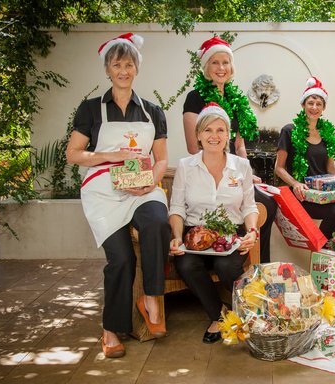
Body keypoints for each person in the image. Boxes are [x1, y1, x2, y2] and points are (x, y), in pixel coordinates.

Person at [66, 33, 170, 358]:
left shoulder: (152, 111)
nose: (123, 70)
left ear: (136, 68)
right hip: (104, 190)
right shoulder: (91, 109)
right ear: (108, 70)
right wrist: (109, 157)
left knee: (157, 221)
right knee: (122, 259)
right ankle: (111, 328)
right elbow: (73, 154)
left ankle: (152, 297)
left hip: (142, 186)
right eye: (117, 64)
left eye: (128, 64)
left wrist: (150, 182)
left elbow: (162, 158)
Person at [169, 103, 259, 344]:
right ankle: (219, 316)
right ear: (198, 135)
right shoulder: (186, 167)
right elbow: (176, 208)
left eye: (220, 130)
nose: (214, 136)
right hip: (195, 234)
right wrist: (177, 237)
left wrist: (251, 231)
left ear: (228, 135)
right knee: (187, 265)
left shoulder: (242, 166)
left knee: (226, 268)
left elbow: (249, 206)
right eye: (208, 130)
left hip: (231, 234)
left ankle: (251, 312)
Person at [182, 36, 277, 263]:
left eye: (225, 62)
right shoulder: (195, 98)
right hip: (209, 170)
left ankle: (257, 262)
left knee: (270, 203)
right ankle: (232, 255)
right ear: (206, 66)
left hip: (235, 170)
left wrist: (247, 172)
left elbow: (239, 144)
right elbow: (192, 145)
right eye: (215, 62)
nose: (221, 68)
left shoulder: (236, 100)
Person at [274, 77, 335, 240]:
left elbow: (331, 169)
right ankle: (321, 247)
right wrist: (295, 184)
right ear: (303, 105)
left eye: (319, 104)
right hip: (303, 194)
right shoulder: (289, 131)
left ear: (323, 108)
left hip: (323, 192)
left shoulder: (327, 134)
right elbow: (278, 168)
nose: (314, 107)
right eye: (310, 103)